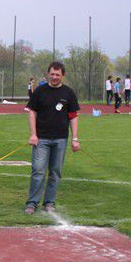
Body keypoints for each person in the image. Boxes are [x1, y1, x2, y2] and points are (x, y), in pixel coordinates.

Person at [25, 61, 80, 214]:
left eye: (57, 74)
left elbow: (73, 116)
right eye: (52, 74)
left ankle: (49, 202)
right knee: (38, 171)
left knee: (55, 172)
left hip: (61, 139)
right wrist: (33, 134)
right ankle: (32, 203)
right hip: (41, 139)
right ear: (48, 73)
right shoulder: (40, 91)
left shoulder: (68, 93)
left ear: (63, 75)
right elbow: (32, 112)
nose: (54, 77)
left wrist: (75, 139)